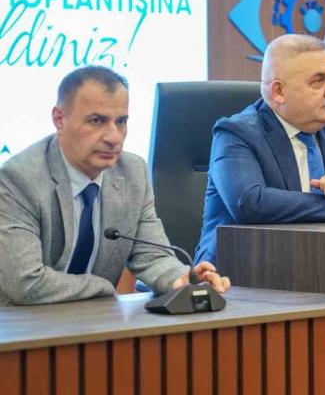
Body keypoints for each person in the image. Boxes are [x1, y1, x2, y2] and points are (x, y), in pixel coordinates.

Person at [0, 66, 230, 306]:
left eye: (121, 121)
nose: (114, 137)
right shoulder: (19, 179)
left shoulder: (132, 172)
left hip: (97, 320)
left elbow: (152, 257)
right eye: (96, 121)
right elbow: (25, 282)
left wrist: (181, 278)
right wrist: (103, 287)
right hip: (25, 323)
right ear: (59, 119)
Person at [194, 34, 325, 264]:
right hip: (241, 268)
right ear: (278, 92)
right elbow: (250, 203)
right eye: (318, 81)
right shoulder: (237, 132)